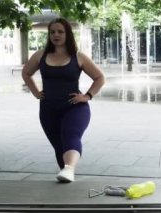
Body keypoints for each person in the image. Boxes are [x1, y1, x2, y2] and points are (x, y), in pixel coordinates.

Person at [22, 18, 105, 183]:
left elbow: (99, 77)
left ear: (67, 34)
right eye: (52, 32)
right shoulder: (40, 55)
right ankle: (67, 171)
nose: (56, 35)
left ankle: (69, 169)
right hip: (48, 110)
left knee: (71, 136)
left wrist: (87, 96)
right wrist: (36, 93)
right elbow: (26, 73)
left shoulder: (78, 57)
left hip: (74, 107)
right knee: (59, 147)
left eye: (60, 31)